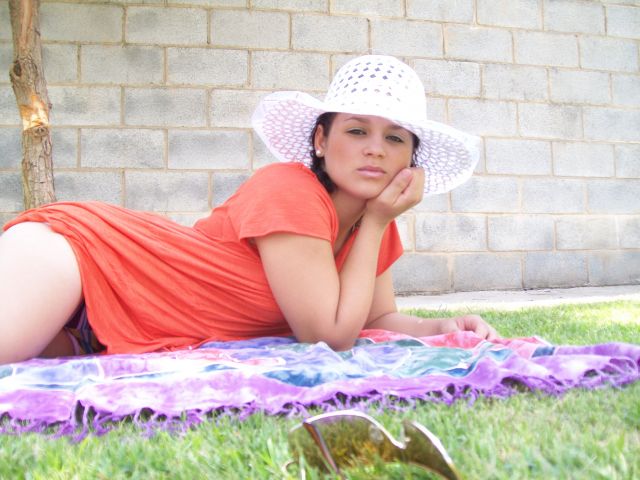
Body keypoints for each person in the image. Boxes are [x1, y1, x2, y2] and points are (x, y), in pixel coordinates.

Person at [0, 55, 498, 365]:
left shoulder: (375, 224)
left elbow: (377, 317)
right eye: (356, 130)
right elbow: (329, 336)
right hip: (79, 262)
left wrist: (440, 328)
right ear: (320, 140)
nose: (375, 148)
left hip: (100, 334)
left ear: (411, 158)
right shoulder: (292, 189)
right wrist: (374, 223)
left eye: (395, 138)